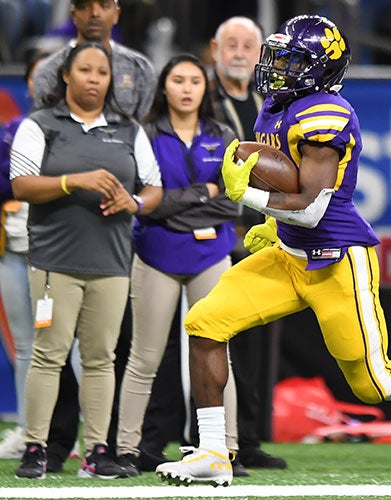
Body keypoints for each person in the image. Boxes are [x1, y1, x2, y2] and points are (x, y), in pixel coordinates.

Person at [155, 15, 391, 487]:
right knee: (204, 324)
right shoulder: (276, 105)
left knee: (374, 383)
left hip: (336, 258)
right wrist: (270, 224)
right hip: (288, 256)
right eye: (279, 55)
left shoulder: (328, 114)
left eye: (292, 60)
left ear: (319, 69)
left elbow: (310, 208)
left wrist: (245, 196)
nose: (278, 67)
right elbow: (286, 187)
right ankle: (211, 452)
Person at [10, 41, 162, 479]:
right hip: (54, 262)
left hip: (112, 263)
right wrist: (74, 181)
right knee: (49, 355)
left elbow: (153, 188)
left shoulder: (130, 129)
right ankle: (35, 447)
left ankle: (97, 451)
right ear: (65, 76)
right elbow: (21, 185)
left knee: (100, 358)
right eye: (86, 71)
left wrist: (133, 202)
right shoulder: (40, 125)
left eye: (102, 72)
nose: (94, 78)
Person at [115, 53, 243, 478]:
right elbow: (141, 202)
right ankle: (127, 449)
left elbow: (233, 199)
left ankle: (227, 449)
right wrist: (199, 195)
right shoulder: (144, 133)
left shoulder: (222, 133)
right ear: (164, 87)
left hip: (211, 254)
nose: (187, 88)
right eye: (178, 80)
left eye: (195, 81)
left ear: (206, 89)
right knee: (144, 356)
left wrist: (176, 203)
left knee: (216, 352)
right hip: (156, 254)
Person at [206, 15, 287, 471]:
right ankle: (212, 437)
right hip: (217, 235)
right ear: (214, 48)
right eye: (230, 43)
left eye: (248, 45)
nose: (239, 52)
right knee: (215, 335)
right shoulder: (203, 99)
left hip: (263, 234)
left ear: (260, 55)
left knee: (255, 340)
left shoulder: (270, 103)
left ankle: (250, 437)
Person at [0, 51, 48, 460]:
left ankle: (90, 433)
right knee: (25, 343)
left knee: (81, 348)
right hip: (14, 249)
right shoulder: (11, 129)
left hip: (59, 252)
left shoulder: (74, 132)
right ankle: (27, 430)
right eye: (37, 75)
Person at [33, 0, 156, 121]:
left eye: (104, 6)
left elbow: (142, 126)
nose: (95, 13)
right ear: (73, 15)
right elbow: (47, 125)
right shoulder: (48, 71)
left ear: (116, 14)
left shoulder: (140, 68)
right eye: (84, 6)